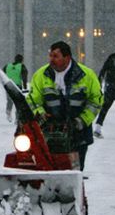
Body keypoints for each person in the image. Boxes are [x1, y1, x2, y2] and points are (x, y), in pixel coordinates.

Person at [27, 41, 103, 171]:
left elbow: (96, 101)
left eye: (56, 56)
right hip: (48, 135)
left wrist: (80, 121)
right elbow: (33, 100)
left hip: (78, 137)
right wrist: (41, 115)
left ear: (67, 58)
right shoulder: (40, 75)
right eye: (50, 56)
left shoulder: (87, 76)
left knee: (73, 173)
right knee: (48, 171)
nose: (51, 59)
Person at [3, 54, 29, 122]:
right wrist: (25, 89)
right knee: (18, 103)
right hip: (17, 86)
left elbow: (2, 74)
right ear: (22, 60)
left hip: (8, 86)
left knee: (10, 100)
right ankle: (17, 118)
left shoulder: (7, 66)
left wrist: (4, 83)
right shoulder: (22, 66)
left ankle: (8, 112)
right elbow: (24, 78)